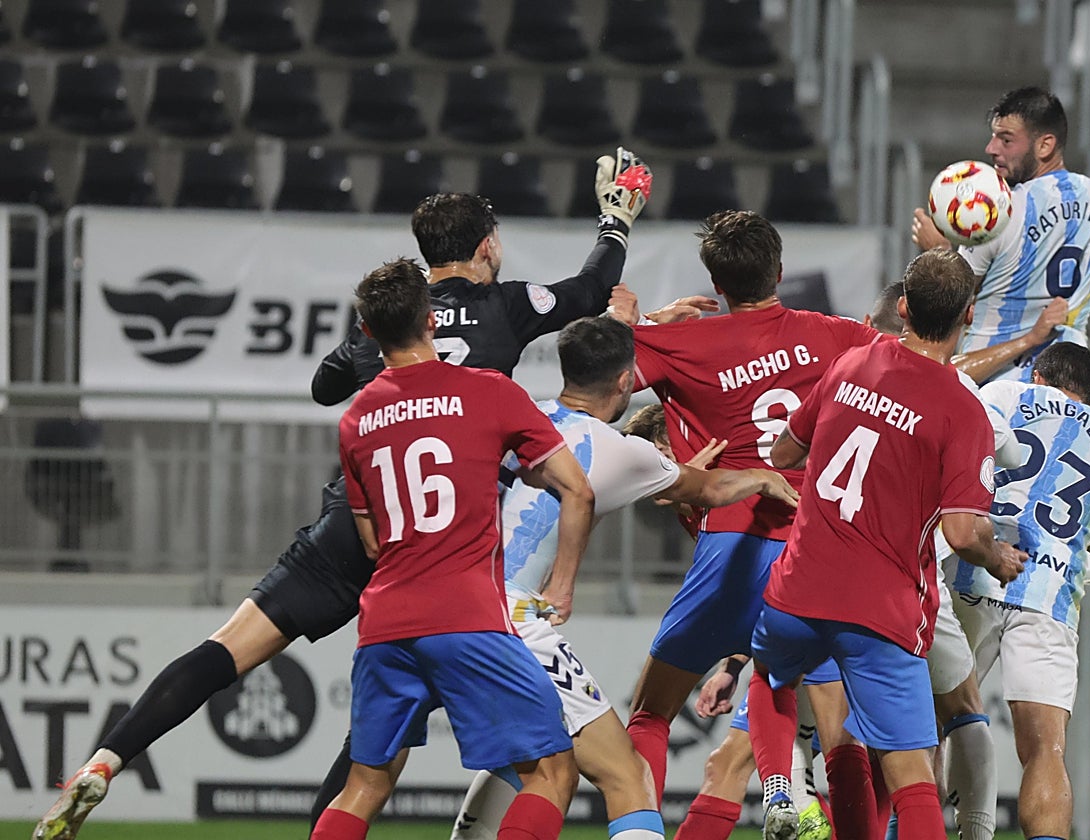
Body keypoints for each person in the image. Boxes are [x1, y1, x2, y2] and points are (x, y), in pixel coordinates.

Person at [33, 148, 655, 840]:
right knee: (386, 751)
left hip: (353, 525)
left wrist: (365, 344)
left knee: (227, 651)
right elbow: (590, 289)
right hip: (434, 549)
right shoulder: (506, 308)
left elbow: (326, 388)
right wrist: (615, 223)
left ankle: (106, 759)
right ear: (488, 247)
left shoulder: (384, 338)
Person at [448, 316, 800, 840]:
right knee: (627, 776)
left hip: (450, 606)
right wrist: (763, 474)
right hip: (512, 617)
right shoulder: (616, 448)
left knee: (526, 758)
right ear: (624, 382)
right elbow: (708, 489)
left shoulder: (520, 416)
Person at [605, 210, 884, 824]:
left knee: (651, 716)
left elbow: (601, 376)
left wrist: (634, 322)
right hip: (817, 551)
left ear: (717, 282)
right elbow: (900, 368)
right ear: (779, 271)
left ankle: (642, 837)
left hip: (732, 547)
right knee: (839, 738)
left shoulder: (682, 344)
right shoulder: (835, 334)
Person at [746, 249, 1026, 840]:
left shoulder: (850, 364)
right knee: (912, 780)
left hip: (798, 589)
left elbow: (782, 455)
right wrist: (999, 555)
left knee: (770, 675)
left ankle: (780, 788)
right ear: (968, 315)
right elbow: (961, 532)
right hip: (882, 610)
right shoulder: (961, 407)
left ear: (902, 306)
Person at [312, 257, 595, 840]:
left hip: (385, 622)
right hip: (467, 617)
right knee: (552, 770)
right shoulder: (489, 392)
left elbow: (370, 540)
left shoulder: (357, 417)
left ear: (366, 332)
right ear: (431, 319)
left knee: (364, 785)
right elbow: (577, 488)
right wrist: (561, 582)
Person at [947, 341, 1090, 840]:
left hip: (973, 572)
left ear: (1037, 377)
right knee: (1046, 749)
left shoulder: (1003, 394)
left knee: (931, 725)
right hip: (1048, 598)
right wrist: (1085, 534)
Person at [911, 86, 1090, 405]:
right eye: (994, 137)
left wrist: (937, 253)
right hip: (1066, 397)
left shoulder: (1002, 212)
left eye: (1006, 139)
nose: (991, 148)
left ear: (1045, 144)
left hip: (987, 390)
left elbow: (950, 304)